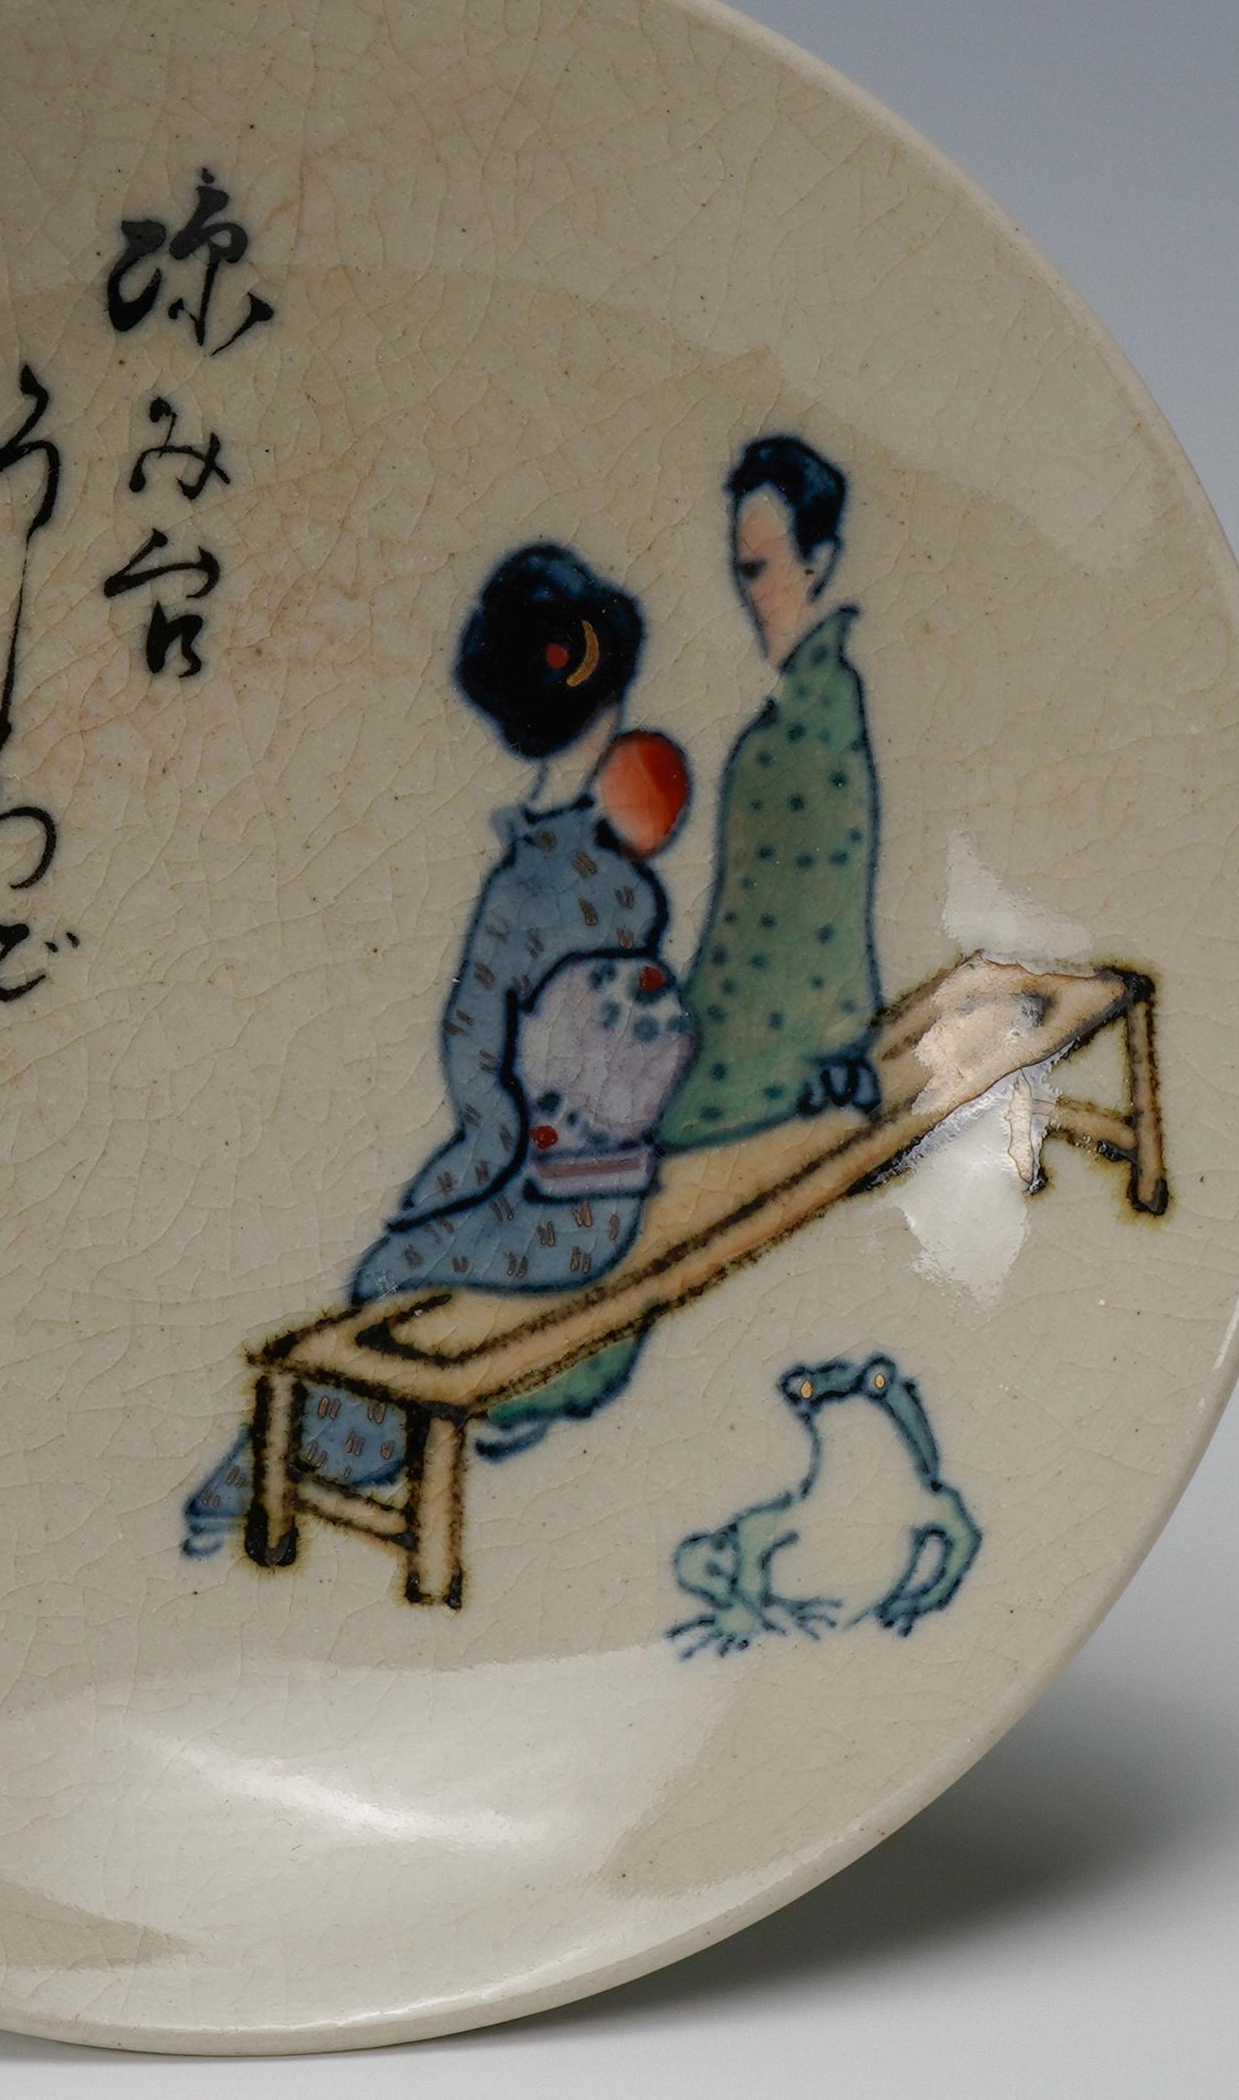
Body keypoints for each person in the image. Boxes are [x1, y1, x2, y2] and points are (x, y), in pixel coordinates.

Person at [183, 544, 688, 1552]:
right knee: (401, 1279)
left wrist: (440, 1189)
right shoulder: (624, 878)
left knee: (390, 1281)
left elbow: (481, 1077)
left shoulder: (530, 885)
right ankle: (286, 1463)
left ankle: (273, 1474)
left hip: (557, 1211)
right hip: (611, 1190)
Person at [658, 434, 884, 1149]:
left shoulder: (815, 716)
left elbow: (806, 916)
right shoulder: (799, 707)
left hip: (775, 1049)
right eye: (739, 569)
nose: (747, 594)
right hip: (761, 1027)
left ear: (818, 563)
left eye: (758, 569)